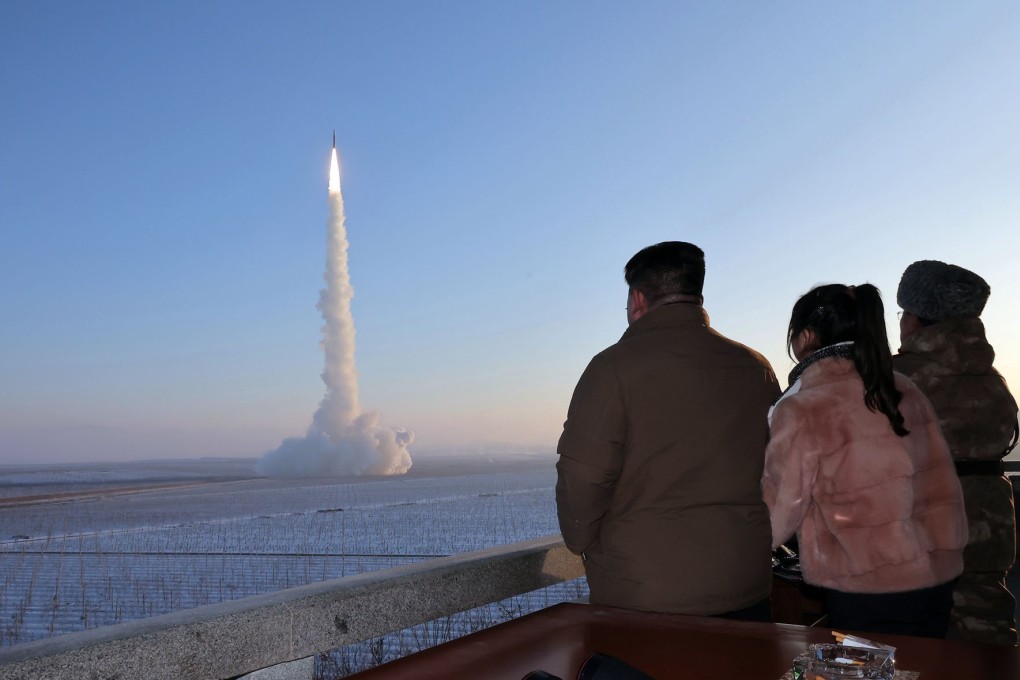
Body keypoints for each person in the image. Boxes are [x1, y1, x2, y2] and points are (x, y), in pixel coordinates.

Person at [556, 241, 781, 618]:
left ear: (638, 298)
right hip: (746, 584)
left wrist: (583, 542)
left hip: (645, 596)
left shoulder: (612, 369)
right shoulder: (755, 368)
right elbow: (777, 470)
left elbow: (583, 477)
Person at [762, 283, 968, 639]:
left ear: (806, 337)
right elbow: (941, 481)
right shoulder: (903, 386)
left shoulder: (802, 407)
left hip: (866, 582)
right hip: (936, 573)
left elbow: (779, 513)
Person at [893, 260, 1019, 645]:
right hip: (989, 523)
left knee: (912, 642)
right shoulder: (993, 379)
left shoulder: (895, 379)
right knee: (987, 635)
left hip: (923, 526)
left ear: (914, 320)